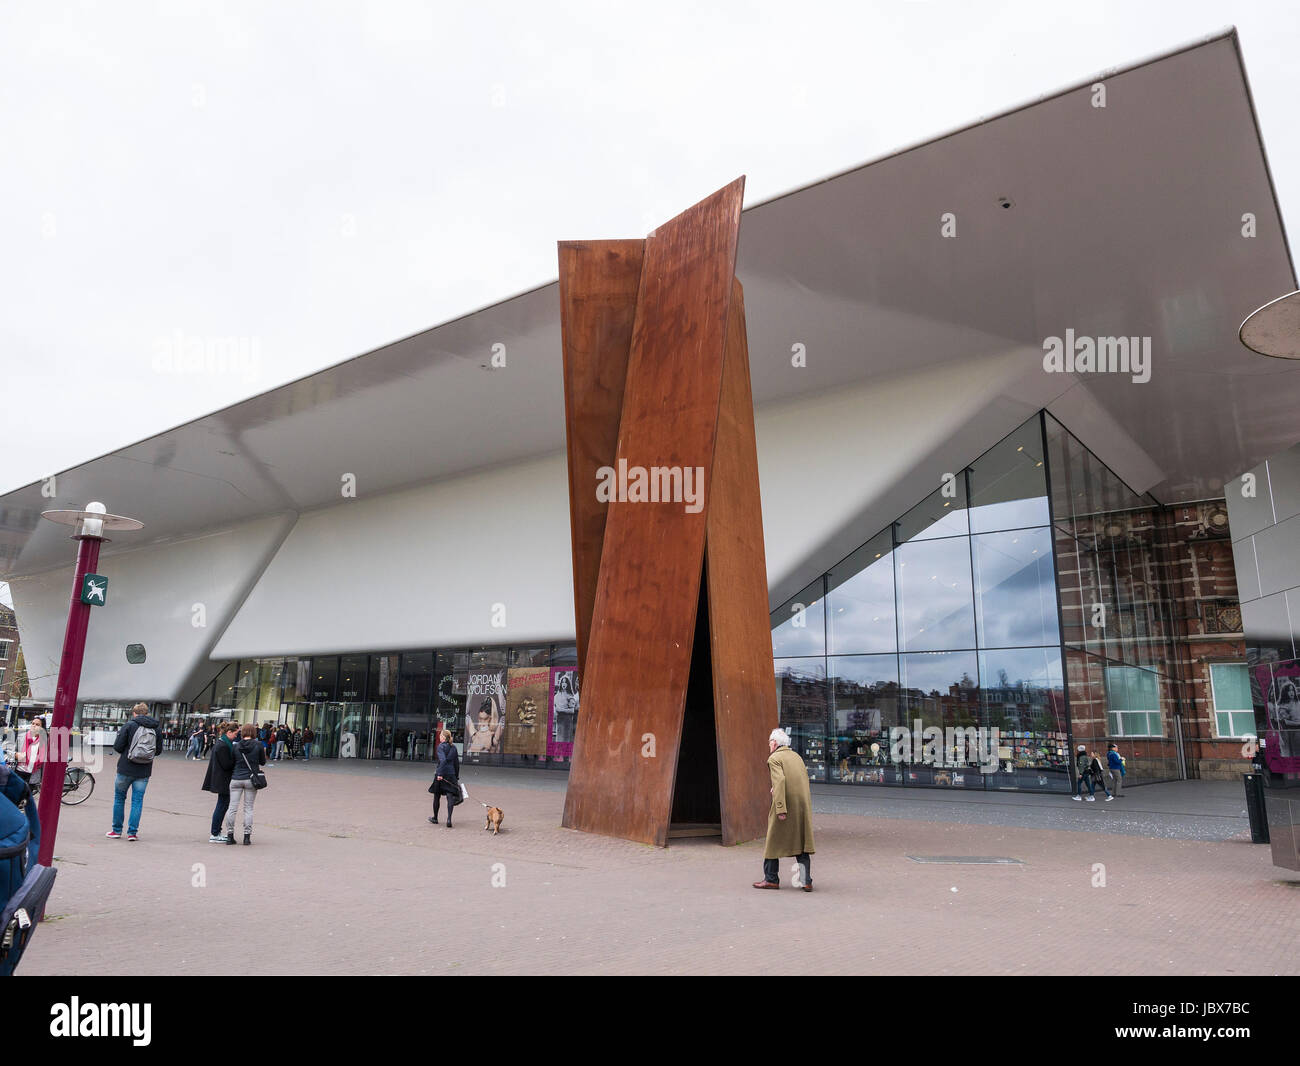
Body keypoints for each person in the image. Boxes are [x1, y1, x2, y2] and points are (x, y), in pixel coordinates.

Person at [754, 728, 815, 891]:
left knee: (772, 840)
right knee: (801, 842)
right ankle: (805, 880)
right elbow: (801, 780)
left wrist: (780, 808)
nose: (769, 745)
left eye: (769, 742)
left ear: (774, 743)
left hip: (785, 803)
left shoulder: (774, 758)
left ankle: (771, 879)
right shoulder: (796, 757)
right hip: (801, 805)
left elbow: (779, 780)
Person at [107, 703, 163, 840]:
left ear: (134, 713)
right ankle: (132, 833)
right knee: (137, 801)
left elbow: (118, 747)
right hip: (144, 770)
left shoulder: (129, 725)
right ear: (147, 713)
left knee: (119, 799)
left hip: (125, 768)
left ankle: (116, 830)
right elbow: (159, 750)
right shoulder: (156, 728)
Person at [224, 723, 266, 845]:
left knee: (232, 808)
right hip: (250, 779)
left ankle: (229, 835)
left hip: (236, 778)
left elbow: (232, 761)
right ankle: (247, 837)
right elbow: (262, 762)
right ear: (254, 732)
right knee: (248, 808)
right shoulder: (258, 745)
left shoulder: (236, 745)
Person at [201, 722, 240, 842]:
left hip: (220, 779)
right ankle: (215, 832)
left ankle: (216, 831)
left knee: (222, 805)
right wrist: (236, 758)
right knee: (222, 806)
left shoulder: (222, 743)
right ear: (229, 732)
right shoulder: (223, 745)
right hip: (223, 780)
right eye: (235, 733)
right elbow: (227, 764)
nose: (236, 736)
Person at [429, 729, 460, 828]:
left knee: (437, 796)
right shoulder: (453, 747)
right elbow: (456, 764)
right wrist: (456, 776)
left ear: (443, 737)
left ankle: (435, 818)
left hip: (441, 774)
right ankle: (449, 819)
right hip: (451, 774)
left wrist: (440, 774)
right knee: (450, 796)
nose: (439, 737)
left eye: (440, 735)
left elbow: (442, 761)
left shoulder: (441, 747)